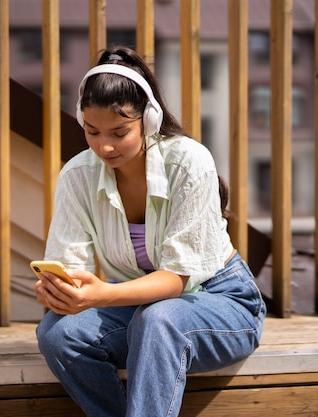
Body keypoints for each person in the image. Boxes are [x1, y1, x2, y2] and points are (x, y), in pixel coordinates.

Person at [34, 46, 266, 417]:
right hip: (139, 311)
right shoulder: (77, 175)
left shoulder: (189, 162)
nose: (104, 145)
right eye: (92, 131)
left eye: (119, 131)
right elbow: (71, 268)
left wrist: (100, 294)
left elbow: (175, 282)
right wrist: (61, 293)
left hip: (220, 303)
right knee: (59, 334)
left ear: (150, 120)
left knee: (159, 319)